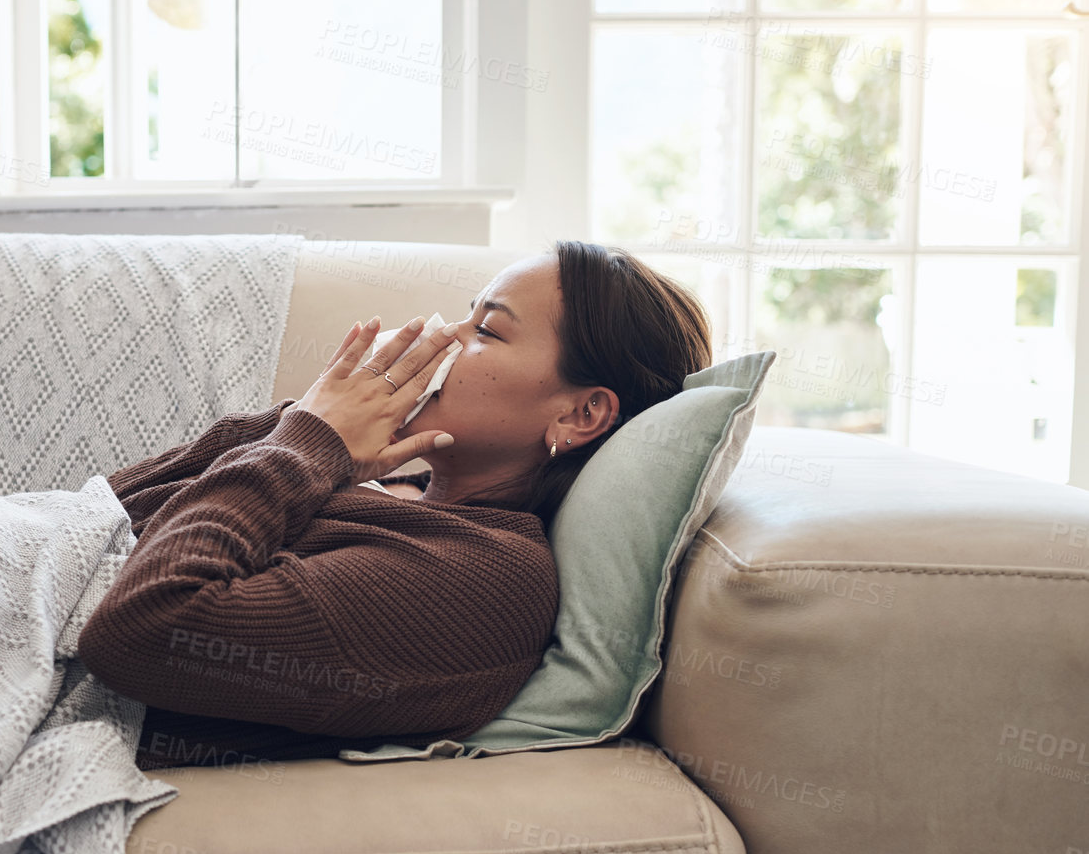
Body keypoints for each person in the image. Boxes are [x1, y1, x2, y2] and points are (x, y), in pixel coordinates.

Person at [74, 241, 713, 770]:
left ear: (582, 414)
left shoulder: (486, 583)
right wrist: (301, 428)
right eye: (465, 314)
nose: (444, 338)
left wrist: (307, 444)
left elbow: (141, 630)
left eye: (487, 330)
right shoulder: (375, 485)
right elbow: (102, 513)